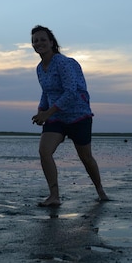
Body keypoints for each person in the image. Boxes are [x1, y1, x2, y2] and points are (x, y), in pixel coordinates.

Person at [30, 25, 109, 206]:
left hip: (78, 115)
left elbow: (71, 91)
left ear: (51, 42)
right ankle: (54, 196)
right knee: (44, 151)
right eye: (35, 41)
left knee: (86, 158)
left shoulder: (63, 62)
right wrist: (41, 111)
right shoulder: (40, 68)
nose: (39, 43)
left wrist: (48, 112)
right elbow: (46, 92)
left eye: (43, 39)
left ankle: (100, 190)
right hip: (56, 118)